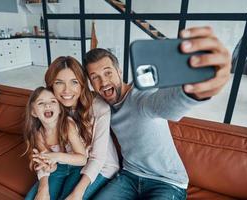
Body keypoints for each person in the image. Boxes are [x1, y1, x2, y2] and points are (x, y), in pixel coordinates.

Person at [84, 26, 232, 200]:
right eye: (95, 77)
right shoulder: (101, 104)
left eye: (108, 73)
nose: (103, 81)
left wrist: (195, 92)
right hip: (129, 177)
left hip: (167, 181)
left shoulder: (141, 96)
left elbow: (164, 104)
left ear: (119, 71)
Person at [43, 56, 119, 199]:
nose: (67, 90)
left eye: (74, 82)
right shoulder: (51, 106)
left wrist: (78, 192)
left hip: (101, 166)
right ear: (51, 85)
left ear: (82, 84)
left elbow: (98, 157)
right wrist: (43, 185)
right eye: (59, 83)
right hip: (71, 163)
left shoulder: (99, 107)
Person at [24, 86, 87, 200]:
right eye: (41, 103)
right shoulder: (39, 135)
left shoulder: (68, 125)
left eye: (53, 101)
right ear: (33, 112)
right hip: (58, 169)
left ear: (59, 108)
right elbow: (51, 167)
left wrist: (55, 156)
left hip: (77, 168)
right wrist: (44, 186)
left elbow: (82, 159)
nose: (47, 105)